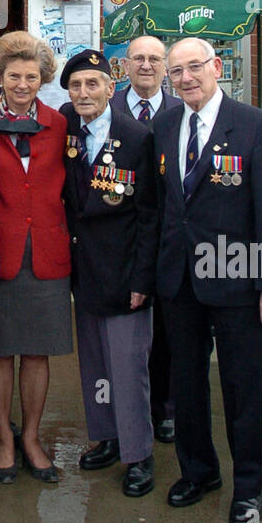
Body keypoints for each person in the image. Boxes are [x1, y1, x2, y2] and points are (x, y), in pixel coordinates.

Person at [153, 37, 262, 523]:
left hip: (236, 277)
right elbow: (162, 204)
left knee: (242, 387)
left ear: (216, 68)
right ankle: (199, 471)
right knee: (186, 382)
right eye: (177, 71)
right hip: (179, 279)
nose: (186, 78)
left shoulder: (256, 126)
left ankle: (248, 487)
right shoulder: (164, 124)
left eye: (195, 67)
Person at [0, 31, 71, 484]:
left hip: (47, 252)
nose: (22, 84)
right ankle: (4, 440)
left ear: (42, 79)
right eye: (13, 76)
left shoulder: (60, 124)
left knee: (37, 353)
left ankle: (30, 437)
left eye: (31, 76)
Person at [60, 51, 159, 497]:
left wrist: (143, 280)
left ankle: (138, 454)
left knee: (127, 365)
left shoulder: (137, 137)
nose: (84, 93)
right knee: (95, 363)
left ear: (110, 88)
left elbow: (148, 215)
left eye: (92, 84)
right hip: (84, 270)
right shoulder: (67, 131)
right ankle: (107, 436)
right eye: (76, 86)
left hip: (124, 273)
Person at [118, 34, 183, 444]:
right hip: (121, 242)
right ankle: (126, 409)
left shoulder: (183, 110)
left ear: (165, 68)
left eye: (155, 59)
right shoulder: (106, 109)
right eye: (138, 58)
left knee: (169, 332)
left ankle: (167, 408)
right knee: (125, 337)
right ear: (123, 66)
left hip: (170, 240)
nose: (146, 65)